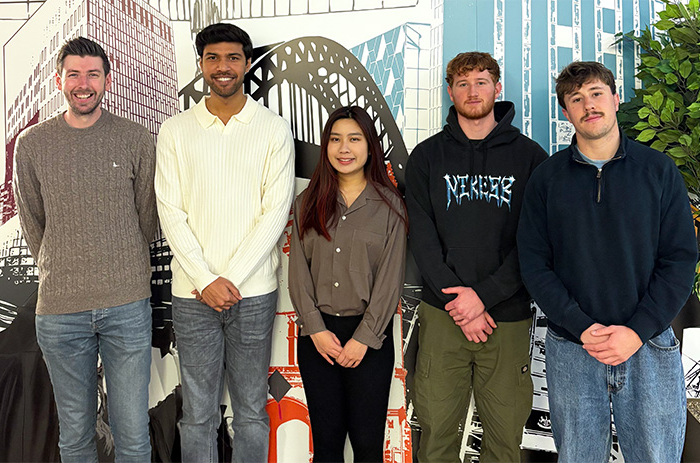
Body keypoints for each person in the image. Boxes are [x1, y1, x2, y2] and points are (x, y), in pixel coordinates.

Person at [517, 61, 697, 462]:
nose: (588, 105)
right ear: (566, 112)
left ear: (616, 99)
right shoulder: (546, 179)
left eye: (596, 93)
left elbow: (681, 260)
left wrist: (636, 331)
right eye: (576, 99)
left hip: (647, 345)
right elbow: (534, 263)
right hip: (573, 346)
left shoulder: (659, 171)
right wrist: (582, 327)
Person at [155, 23, 295, 463]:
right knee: (197, 413)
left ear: (247, 63)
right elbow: (169, 211)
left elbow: (275, 213)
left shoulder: (273, 129)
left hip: (251, 293)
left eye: (233, 58)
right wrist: (204, 278)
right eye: (213, 58)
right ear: (201, 65)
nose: (223, 67)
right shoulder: (176, 130)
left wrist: (227, 279)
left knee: (251, 410)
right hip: (192, 293)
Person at [13, 37, 157, 462]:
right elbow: (32, 221)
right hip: (60, 312)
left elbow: (146, 219)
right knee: (74, 438)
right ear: (58, 80)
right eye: (73, 74)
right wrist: (62, 266)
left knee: (133, 436)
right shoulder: (32, 144)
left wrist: (120, 262)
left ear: (108, 81)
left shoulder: (135, 139)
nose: (83, 83)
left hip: (127, 305)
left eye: (93, 74)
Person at [405, 51, 548, 462]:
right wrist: (460, 302)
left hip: (507, 316)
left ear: (497, 88)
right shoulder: (427, 157)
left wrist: (482, 297)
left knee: (504, 438)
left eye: (482, 82)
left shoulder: (530, 157)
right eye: (463, 83)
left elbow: (534, 243)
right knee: (436, 432)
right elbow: (423, 239)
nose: (473, 91)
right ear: (450, 91)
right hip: (443, 315)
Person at [289, 106, 408, 462]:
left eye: (354, 139)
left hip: (369, 342)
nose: (345, 148)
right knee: (326, 446)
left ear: (370, 147)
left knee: (368, 446)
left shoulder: (390, 208)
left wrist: (363, 338)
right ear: (325, 147)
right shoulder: (307, 202)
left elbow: (390, 281)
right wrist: (315, 330)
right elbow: (297, 274)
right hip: (318, 338)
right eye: (336, 139)